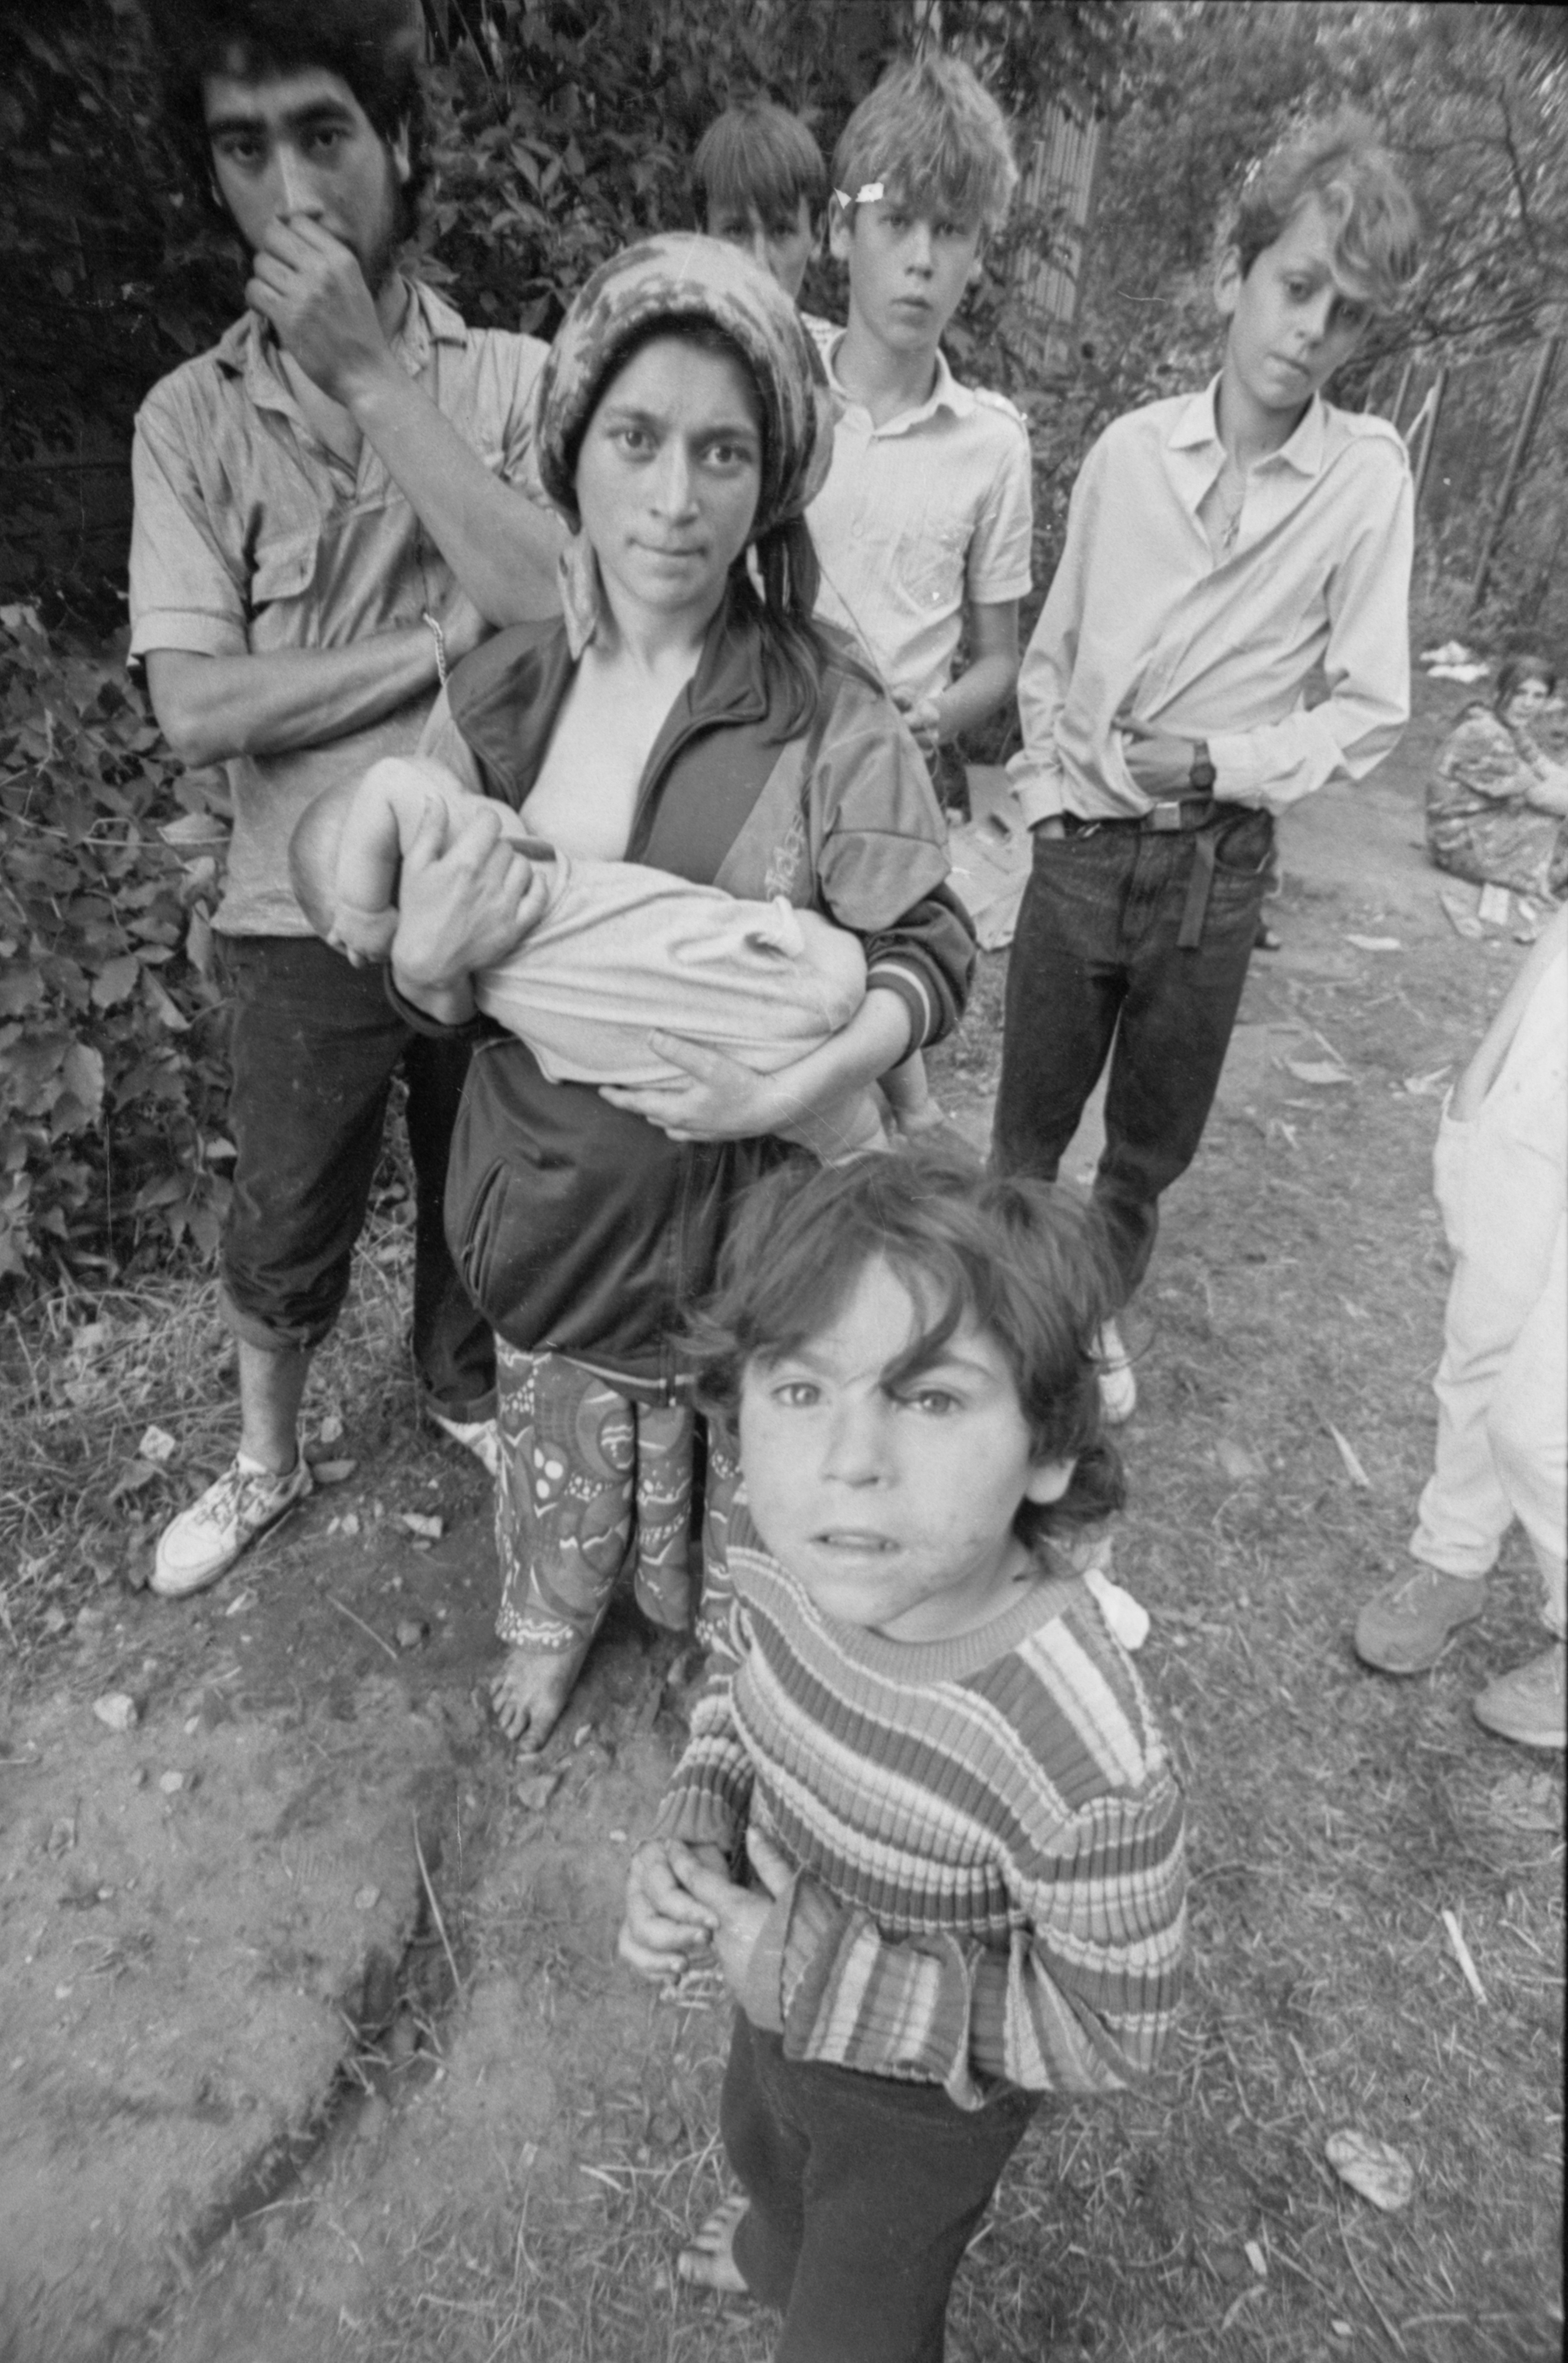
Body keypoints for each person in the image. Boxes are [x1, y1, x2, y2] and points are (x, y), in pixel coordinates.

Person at [367, 234, 975, 1753]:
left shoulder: (823, 708)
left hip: (752, 1227)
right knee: (556, 1462)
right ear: (573, 454)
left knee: (752, 1471)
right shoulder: (504, 692)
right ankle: (550, 1622)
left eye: (722, 452)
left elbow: (934, 942)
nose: (673, 495)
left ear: (768, 481)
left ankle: (729, 1664)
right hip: (555, 1220)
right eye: (635, 440)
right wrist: (428, 965)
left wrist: (776, 1090)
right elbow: (435, 990)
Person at [618, 1151, 1187, 2363]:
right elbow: (742, 1688)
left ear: (1049, 1447)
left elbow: (1107, 2026)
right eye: (800, 1389)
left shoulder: (1081, 1751)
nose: (849, 1459)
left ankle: (824, 2296)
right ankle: (778, 2247)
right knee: (762, 2143)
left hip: (925, 2106)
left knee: (860, 2313)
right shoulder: (797, 1557)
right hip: (772, 1998)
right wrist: (698, 1815)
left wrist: (826, 1978)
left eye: (929, 1397)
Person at [132, 0, 563, 1599]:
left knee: (483, 1181)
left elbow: (555, 596)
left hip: (489, 880)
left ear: (405, 146)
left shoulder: (515, 380)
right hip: (287, 909)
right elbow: (193, 706)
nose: (290, 189)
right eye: (246, 150)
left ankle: (461, 1390)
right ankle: (265, 1458)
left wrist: (378, 377)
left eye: (324, 134)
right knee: (288, 1213)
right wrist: (431, 642)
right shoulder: (187, 422)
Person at [993, 117, 1420, 1421]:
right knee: (1022, 1137)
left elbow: (1370, 706)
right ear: (1236, 274)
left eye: (1345, 317)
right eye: (1296, 288)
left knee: (1142, 1157)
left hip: (1211, 875)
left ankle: (1088, 1315)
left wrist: (1223, 762)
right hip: (1082, 856)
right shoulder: (1130, 454)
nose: (1310, 332)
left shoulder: (1362, 480)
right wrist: (1048, 803)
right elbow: (1052, 653)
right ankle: (1006, 1323)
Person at [289, 750, 881, 1148]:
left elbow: (391, 778)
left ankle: (901, 1105)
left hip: (772, 978)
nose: (351, 948)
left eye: (342, 923)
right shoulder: (461, 965)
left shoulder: (479, 857)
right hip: (748, 1042)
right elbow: (441, 999)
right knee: (853, 1133)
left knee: (843, 1009)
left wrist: (363, 907)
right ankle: (903, 1116)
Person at [1354, 905, 1566, 1749]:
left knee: (1538, 1424)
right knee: (1483, 1332)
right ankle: (1451, 1559)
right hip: (1545, 1078)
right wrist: (1486, 1071)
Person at [690, 99, 836, 353]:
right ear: (702, 236)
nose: (758, 261)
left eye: (781, 231)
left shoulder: (839, 368)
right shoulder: (666, 363)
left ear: (818, 235)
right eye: (736, 231)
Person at [1425, 652, 1568, 903]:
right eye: (1520, 693)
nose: (1528, 704)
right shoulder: (1486, 733)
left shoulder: (1508, 726)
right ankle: (1544, 880)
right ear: (1500, 692)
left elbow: (1544, 766)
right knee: (1549, 820)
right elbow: (1543, 797)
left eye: (1538, 696)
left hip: (1475, 828)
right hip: (1457, 844)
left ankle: (1545, 876)